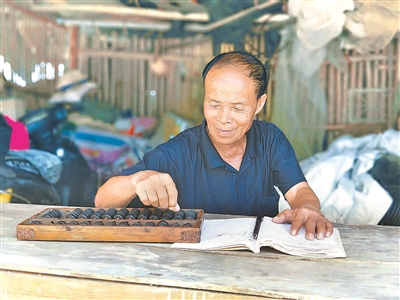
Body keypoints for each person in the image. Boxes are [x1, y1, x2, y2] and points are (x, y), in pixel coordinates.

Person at [95, 51, 333, 241]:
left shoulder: (270, 139)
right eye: (214, 104)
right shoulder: (179, 152)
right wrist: (137, 179)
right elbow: (102, 202)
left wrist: (308, 208)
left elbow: (299, 191)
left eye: (238, 108)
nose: (224, 118)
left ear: (259, 104)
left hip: (260, 268)